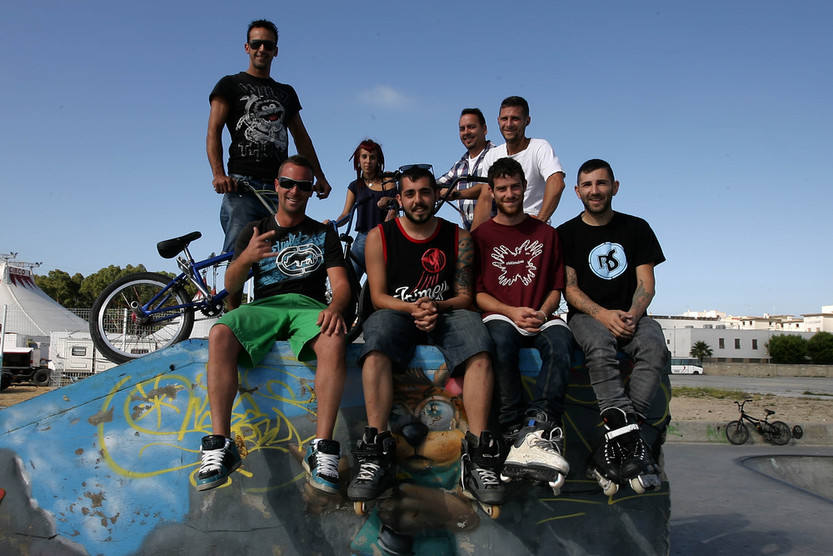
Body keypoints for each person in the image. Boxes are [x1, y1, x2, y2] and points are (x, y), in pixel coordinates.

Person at [347, 165, 505, 510]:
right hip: (398, 311)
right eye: (410, 194)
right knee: (376, 343)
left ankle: (479, 457)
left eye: (424, 192)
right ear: (399, 198)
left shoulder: (458, 238)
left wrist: (436, 305)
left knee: (479, 347)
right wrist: (413, 308)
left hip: (446, 311)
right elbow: (378, 297)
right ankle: (376, 452)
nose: (418, 200)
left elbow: (464, 296)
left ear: (435, 195)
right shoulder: (379, 237)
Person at [196, 156, 349, 494]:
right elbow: (232, 285)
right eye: (288, 183)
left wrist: (337, 307)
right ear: (277, 185)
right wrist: (246, 258)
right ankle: (220, 444)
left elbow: (341, 286)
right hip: (266, 305)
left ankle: (322, 449)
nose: (295, 191)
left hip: (308, 305)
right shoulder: (255, 229)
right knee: (220, 332)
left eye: (303, 186)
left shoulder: (323, 233)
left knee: (334, 337)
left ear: (310, 191)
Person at [556, 158, 667, 495]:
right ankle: (631, 441)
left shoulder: (637, 228)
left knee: (654, 347)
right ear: (577, 191)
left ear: (614, 187)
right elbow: (569, 289)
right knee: (599, 348)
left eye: (601, 183)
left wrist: (632, 314)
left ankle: (621, 438)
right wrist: (603, 315)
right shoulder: (566, 234)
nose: (595, 190)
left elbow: (646, 283)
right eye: (588, 185)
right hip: (587, 317)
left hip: (632, 314)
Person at [472, 157, 572, 493]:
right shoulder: (481, 236)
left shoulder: (546, 233)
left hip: (540, 314)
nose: (510, 194)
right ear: (492, 191)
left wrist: (542, 313)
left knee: (561, 343)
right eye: (502, 188)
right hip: (501, 313)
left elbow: (556, 288)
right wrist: (511, 312)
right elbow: (477, 294)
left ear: (525, 187)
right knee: (499, 340)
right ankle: (511, 427)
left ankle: (538, 425)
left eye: (515, 187)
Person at [207, 19, 332, 256]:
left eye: (268, 45)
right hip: (242, 186)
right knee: (240, 254)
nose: (262, 49)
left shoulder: (285, 92)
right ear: (247, 47)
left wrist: (320, 175)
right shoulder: (229, 85)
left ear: (276, 51)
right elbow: (214, 130)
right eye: (256, 44)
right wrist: (218, 174)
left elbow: (301, 137)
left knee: (286, 254)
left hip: (280, 186)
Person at [472, 96, 566, 229]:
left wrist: (539, 225)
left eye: (515, 119)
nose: (509, 124)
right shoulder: (492, 155)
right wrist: (475, 236)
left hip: (533, 225)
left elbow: (557, 182)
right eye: (504, 119)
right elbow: (485, 198)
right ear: (498, 121)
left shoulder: (540, 147)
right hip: (503, 228)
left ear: (527, 121)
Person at [330, 139, 397, 277]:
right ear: (358, 160)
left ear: (378, 160)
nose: (368, 161)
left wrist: (390, 201)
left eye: (372, 157)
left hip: (384, 237)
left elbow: (395, 207)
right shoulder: (354, 186)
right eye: (364, 156)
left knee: (383, 280)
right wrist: (334, 224)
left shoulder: (389, 182)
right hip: (362, 238)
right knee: (350, 279)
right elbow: (346, 214)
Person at [437, 108, 495, 230]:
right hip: (471, 234)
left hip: (497, 234)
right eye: (462, 129)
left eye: (471, 127)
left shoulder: (497, 156)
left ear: (484, 129)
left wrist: (457, 194)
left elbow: (488, 187)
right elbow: (436, 184)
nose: (466, 132)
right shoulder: (459, 166)